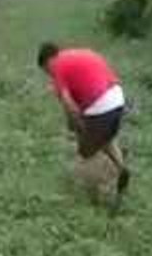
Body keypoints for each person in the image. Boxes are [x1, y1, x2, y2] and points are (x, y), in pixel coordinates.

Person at [37, 42, 130, 198]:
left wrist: (75, 124)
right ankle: (121, 168)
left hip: (101, 106)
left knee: (86, 151)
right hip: (118, 99)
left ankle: (102, 186)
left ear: (48, 61)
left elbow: (69, 104)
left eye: (47, 71)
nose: (50, 75)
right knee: (104, 138)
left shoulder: (57, 67)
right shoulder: (83, 53)